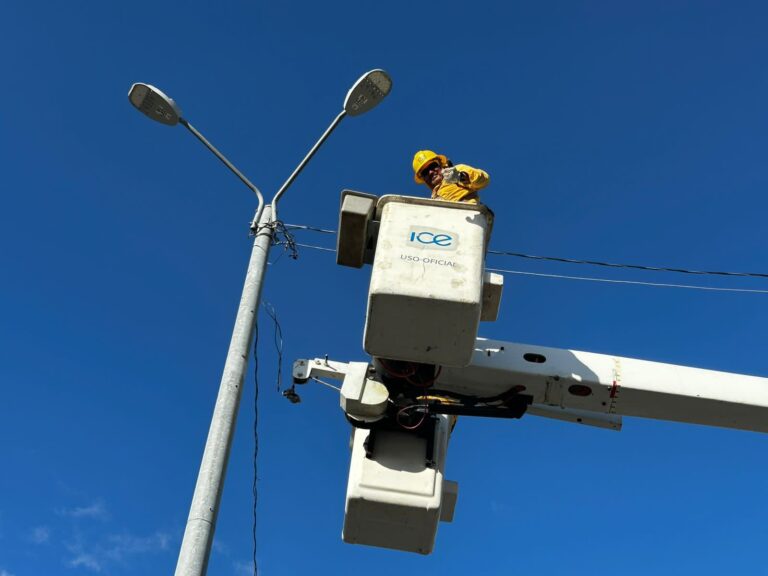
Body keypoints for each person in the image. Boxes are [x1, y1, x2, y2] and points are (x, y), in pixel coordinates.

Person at [412, 149, 490, 205]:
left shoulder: (458, 170)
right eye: (425, 172)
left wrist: (461, 177)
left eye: (433, 166)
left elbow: (484, 180)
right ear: (423, 179)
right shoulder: (434, 197)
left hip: (468, 216)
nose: (431, 172)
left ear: (440, 164)